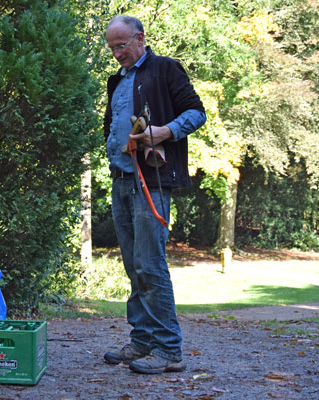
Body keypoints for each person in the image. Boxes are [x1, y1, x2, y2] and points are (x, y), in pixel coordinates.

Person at [102, 16, 206, 374]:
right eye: (112, 48)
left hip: (151, 184)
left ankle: (169, 350)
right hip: (121, 182)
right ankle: (142, 342)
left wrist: (166, 132)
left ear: (140, 38)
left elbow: (196, 112)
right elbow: (119, 125)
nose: (117, 54)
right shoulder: (117, 80)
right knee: (134, 266)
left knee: (150, 264)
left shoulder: (165, 69)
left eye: (122, 45)